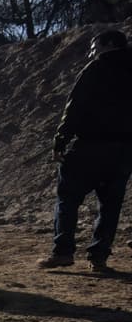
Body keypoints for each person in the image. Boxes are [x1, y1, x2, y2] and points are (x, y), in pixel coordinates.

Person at [38, 29, 132, 272]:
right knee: (110, 206)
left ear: (109, 44)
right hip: (123, 149)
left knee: (67, 199)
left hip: (90, 145)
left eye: (95, 46)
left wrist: (60, 140)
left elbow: (75, 107)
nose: (92, 52)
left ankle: (63, 252)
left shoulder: (96, 69)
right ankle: (99, 257)